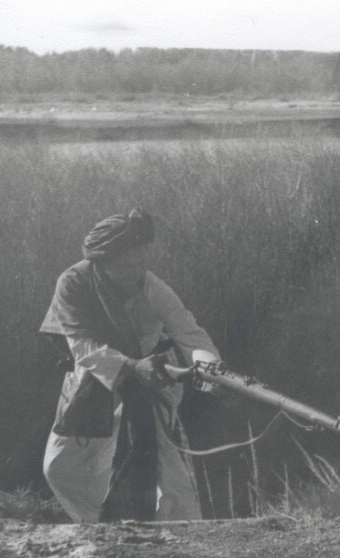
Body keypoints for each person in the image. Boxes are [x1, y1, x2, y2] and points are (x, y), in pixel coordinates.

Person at [40, 206, 221, 523]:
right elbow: (82, 346)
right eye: (126, 266)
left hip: (154, 378)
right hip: (95, 376)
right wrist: (132, 368)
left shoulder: (152, 287)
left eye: (140, 263)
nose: (136, 273)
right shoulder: (73, 284)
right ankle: (102, 527)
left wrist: (208, 364)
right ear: (102, 264)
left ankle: (184, 536)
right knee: (61, 466)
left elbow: (188, 331)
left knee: (172, 472)